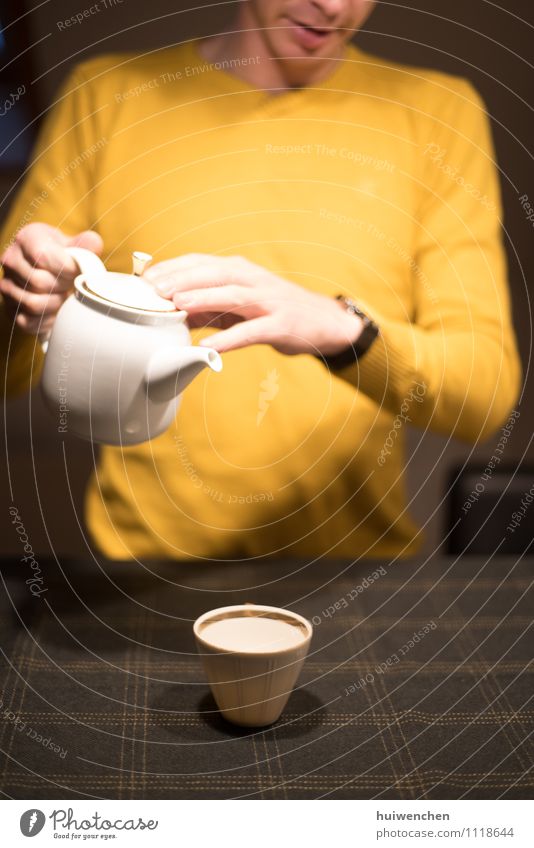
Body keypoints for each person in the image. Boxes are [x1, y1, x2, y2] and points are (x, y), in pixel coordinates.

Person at [0, 0, 521, 560]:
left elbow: (483, 398)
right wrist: (23, 306)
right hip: (141, 572)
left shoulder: (439, 111)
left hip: (359, 574)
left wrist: (343, 329)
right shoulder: (105, 95)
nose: (334, 5)